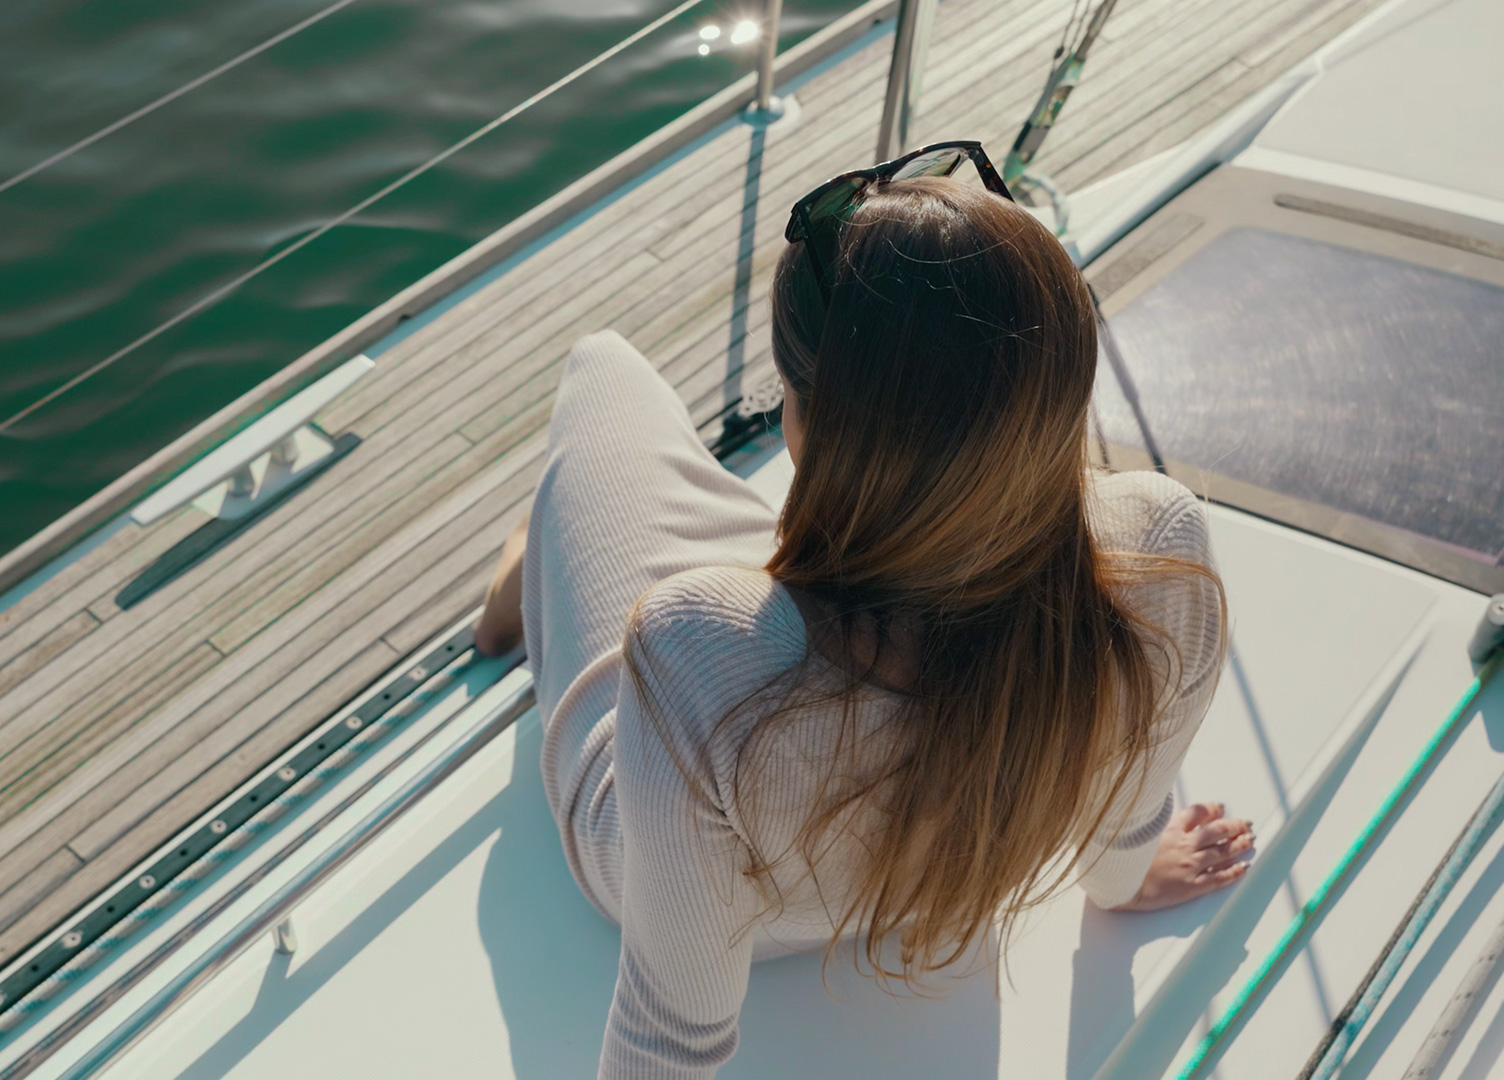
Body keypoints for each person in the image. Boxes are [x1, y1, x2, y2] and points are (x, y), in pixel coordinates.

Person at [472, 143, 1248, 1080]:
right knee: (708, 532)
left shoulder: (697, 648)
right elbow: (1123, 826)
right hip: (922, 883)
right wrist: (1124, 878)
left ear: (804, 426)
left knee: (601, 371)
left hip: (677, 861)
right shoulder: (1158, 550)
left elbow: (671, 1039)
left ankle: (528, 559)